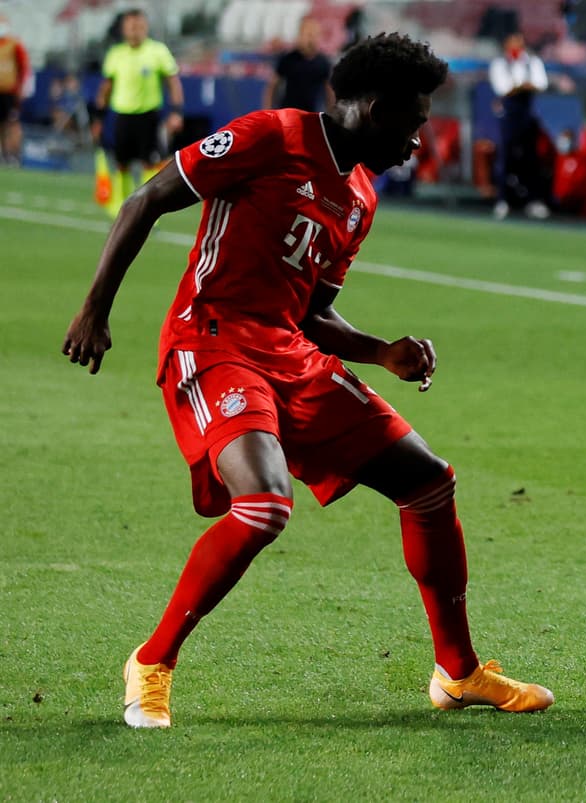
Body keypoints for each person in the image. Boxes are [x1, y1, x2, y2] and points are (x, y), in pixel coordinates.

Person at [62, 33, 554, 728]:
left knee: (429, 481)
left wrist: (381, 352)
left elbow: (313, 311)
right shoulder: (270, 136)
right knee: (265, 505)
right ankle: (152, 660)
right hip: (213, 341)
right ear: (376, 110)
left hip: (288, 353)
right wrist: (94, 310)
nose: (419, 139)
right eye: (414, 122)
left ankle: (458, 672)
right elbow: (146, 200)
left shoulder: (360, 196)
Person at [95, 8, 184, 216]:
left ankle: (148, 212)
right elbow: (106, 88)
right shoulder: (116, 54)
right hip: (122, 116)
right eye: (131, 26)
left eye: (139, 26)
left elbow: (173, 82)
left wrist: (177, 111)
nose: (135, 31)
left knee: (150, 164)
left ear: (146, 27)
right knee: (121, 164)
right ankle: (121, 210)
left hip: (148, 115)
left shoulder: (158, 51)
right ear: (124, 29)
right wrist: (99, 117)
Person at [488, 30, 551, 220]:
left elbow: (541, 83)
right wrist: (520, 86)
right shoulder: (500, 64)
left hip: (527, 114)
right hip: (509, 115)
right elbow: (503, 88)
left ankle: (533, 200)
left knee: (530, 157)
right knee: (506, 156)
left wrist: (521, 86)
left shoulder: (532, 62)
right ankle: (503, 200)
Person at [263, 17, 334, 113]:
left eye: (313, 35)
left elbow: (329, 92)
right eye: (307, 35)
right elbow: (272, 86)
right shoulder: (289, 59)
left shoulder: (323, 63)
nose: (309, 39)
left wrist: (332, 113)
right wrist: (267, 109)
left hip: (310, 114)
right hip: (288, 112)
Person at [0, 13, 30, 165]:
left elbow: (24, 68)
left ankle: (12, 154)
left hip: (9, 93)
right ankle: (3, 153)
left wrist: (22, 88)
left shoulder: (14, 44)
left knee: (11, 124)